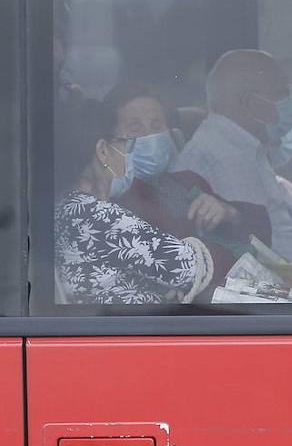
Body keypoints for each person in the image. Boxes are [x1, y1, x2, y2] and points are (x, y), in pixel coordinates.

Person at [102, 83, 271, 285]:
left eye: (157, 126)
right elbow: (176, 267)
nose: (150, 135)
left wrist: (231, 214)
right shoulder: (116, 202)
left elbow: (264, 235)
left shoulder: (188, 180)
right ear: (111, 141)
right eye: (135, 128)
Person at [172, 49, 292, 262]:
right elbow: (264, 251)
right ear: (250, 103)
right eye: (282, 94)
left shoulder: (244, 149)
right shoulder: (226, 158)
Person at [53, 99, 213, 304]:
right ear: (103, 151)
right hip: (133, 329)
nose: (130, 154)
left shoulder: (66, 206)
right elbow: (190, 267)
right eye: (127, 143)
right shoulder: (98, 216)